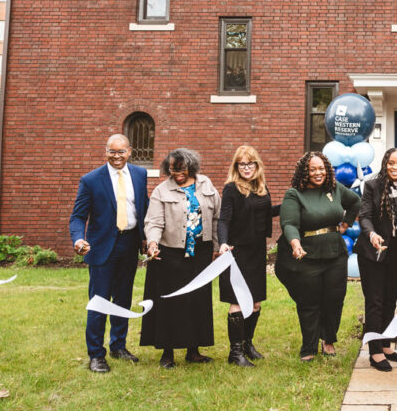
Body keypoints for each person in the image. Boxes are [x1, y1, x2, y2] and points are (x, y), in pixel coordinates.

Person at [69, 134, 148, 373]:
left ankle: (118, 346)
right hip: (102, 246)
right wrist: (78, 238)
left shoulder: (140, 175)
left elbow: (143, 206)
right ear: (106, 152)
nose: (116, 156)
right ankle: (96, 354)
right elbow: (78, 216)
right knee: (99, 301)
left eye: (121, 152)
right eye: (112, 152)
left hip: (130, 244)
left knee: (123, 299)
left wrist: (148, 238)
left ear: (130, 152)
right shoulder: (91, 180)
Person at [275, 151, 361, 362]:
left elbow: (356, 201)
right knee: (309, 301)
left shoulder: (335, 188)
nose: (318, 172)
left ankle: (328, 340)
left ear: (327, 170)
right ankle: (309, 346)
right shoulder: (294, 194)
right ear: (305, 172)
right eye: (312, 169)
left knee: (334, 299)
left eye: (321, 168)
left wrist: (347, 222)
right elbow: (289, 223)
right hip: (308, 255)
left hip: (335, 253)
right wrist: (295, 243)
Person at [141, 148, 221, 369]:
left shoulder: (206, 185)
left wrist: (217, 246)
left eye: (182, 169)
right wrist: (153, 244)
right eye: (173, 169)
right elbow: (154, 222)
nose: (177, 173)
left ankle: (193, 351)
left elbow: (216, 218)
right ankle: (167, 353)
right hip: (170, 254)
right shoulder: (161, 190)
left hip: (201, 254)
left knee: (197, 301)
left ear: (192, 166)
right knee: (170, 303)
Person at [355, 148, 397, 372]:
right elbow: (364, 216)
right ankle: (375, 352)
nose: (395, 167)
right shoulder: (372, 186)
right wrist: (371, 234)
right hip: (372, 253)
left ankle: (386, 344)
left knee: (391, 300)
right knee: (375, 301)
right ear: (385, 164)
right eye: (391, 163)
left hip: (395, 254)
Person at [217, 146, 278, 367]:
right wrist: (223, 242)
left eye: (250, 163)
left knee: (255, 303)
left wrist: (288, 206)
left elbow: (264, 212)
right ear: (236, 167)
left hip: (256, 251)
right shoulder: (231, 189)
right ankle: (235, 353)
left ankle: (246, 344)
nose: (246, 168)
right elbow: (224, 219)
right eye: (242, 164)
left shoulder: (261, 187)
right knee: (237, 302)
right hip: (236, 252)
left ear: (257, 165)